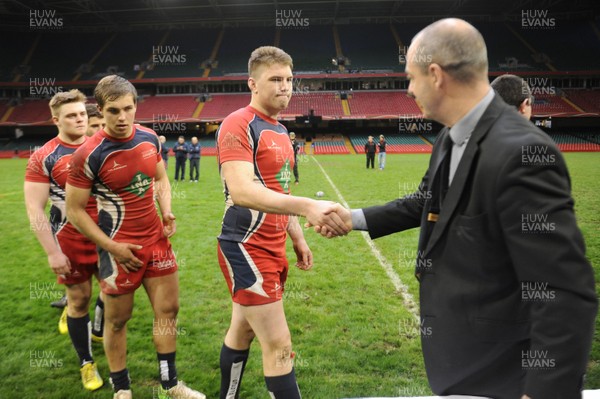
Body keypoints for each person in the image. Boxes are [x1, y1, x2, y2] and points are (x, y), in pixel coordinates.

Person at [316, 18, 597, 399]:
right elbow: (424, 202)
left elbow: (564, 292)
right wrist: (353, 219)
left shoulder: (522, 154)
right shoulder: (450, 136)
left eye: (410, 77)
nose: (409, 89)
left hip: (507, 375)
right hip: (463, 366)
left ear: (435, 75)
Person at [215, 46, 349, 399]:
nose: (285, 87)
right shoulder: (238, 123)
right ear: (252, 84)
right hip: (244, 245)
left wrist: (297, 238)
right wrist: (308, 206)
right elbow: (242, 191)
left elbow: (281, 190)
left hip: (272, 246)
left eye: (289, 79)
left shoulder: (281, 130)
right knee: (279, 344)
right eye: (275, 79)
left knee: (241, 331)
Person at [65, 75, 205, 399]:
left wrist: (166, 209)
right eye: (113, 111)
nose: (123, 117)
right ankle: (122, 388)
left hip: (156, 242)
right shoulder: (88, 154)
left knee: (168, 311)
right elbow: (75, 210)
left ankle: (171, 384)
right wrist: (112, 246)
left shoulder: (150, 138)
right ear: (99, 110)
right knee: (117, 321)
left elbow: (161, 180)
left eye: (128, 108)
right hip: (117, 250)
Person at [24, 89, 104, 391]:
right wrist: (52, 252)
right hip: (71, 240)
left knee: (114, 298)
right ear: (56, 119)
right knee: (79, 299)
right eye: (72, 115)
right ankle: (87, 363)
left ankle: (101, 336)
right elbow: (35, 209)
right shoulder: (43, 156)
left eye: (83, 113)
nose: (80, 119)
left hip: (111, 238)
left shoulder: (104, 146)